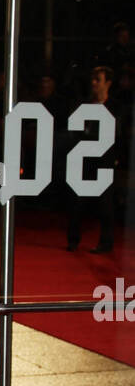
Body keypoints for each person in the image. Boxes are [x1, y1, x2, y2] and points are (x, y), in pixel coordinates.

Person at [66, 65, 117, 255]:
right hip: (85, 163)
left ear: (108, 84)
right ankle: (73, 240)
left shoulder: (115, 107)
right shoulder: (84, 106)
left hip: (105, 164)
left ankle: (106, 243)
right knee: (77, 205)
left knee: (106, 207)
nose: (94, 84)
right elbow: (76, 133)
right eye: (93, 80)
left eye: (99, 80)